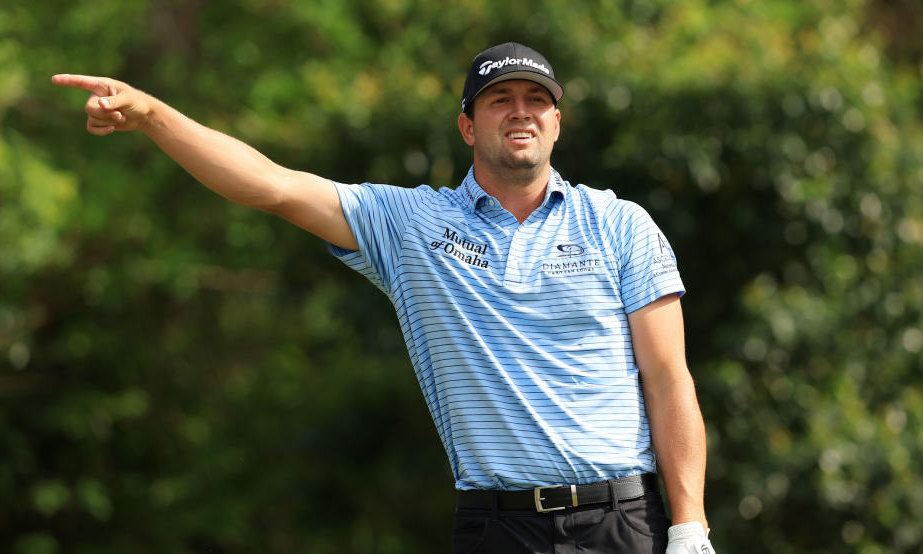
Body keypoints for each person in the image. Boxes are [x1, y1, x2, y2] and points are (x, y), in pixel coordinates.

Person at [53, 41, 715, 554]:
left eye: (535, 99)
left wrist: (688, 527)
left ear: (556, 122)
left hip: (623, 521)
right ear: (466, 125)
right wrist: (153, 115)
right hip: (496, 526)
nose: (520, 112)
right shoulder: (410, 226)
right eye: (499, 99)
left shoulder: (618, 224)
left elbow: (667, 380)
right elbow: (271, 184)